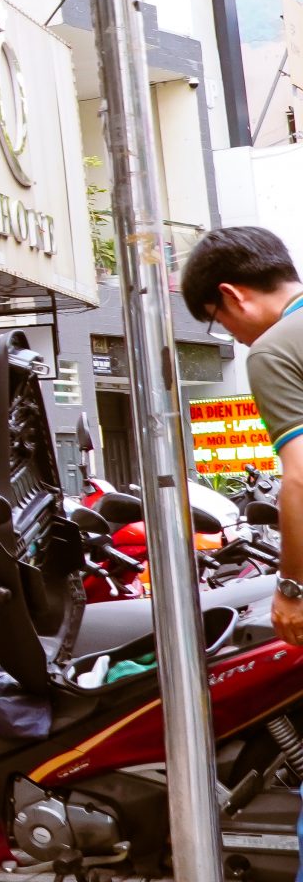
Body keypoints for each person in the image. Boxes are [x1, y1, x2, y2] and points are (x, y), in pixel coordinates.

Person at [180, 226, 303, 646]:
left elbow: (300, 476)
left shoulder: (274, 349)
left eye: (220, 321)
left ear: (232, 295)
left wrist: (291, 587)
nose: (234, 336)